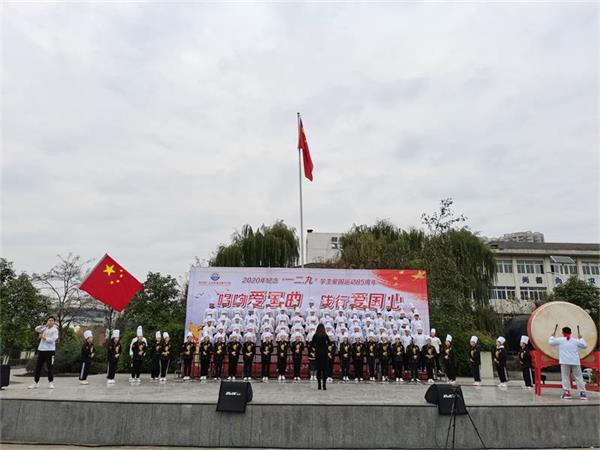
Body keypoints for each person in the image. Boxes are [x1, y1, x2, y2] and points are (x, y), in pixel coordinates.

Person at [549, 325, 588, 400]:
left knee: (565, 377)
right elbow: (585, 345)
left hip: (565, 361)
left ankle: (567, 393)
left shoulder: (560, 340)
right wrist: (581, 338)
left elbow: (551, 342)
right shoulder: (576, 341)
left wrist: (552, 336)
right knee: (578, 377)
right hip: (575, 361)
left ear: (563, 333)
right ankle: (582, 393)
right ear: (571, 333)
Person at [29, 316, 59, 389]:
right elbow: (36, 329)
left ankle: (51, 382)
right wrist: (44, 325)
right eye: (49, 320)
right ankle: (36, 382)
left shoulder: (55, 330)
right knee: (38, 367)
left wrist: (43, 337)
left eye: (52, 320)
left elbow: (53, 339)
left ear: (54, 322)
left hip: (50, 351)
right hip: (41, 350)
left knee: (50, 367)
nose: (50, 322)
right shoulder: (44, 328)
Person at [311, 323, 331, 390]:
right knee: (324, 370)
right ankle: (324, 386)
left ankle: (319, 385)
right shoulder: (325, 335)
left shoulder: (315, 335)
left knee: (318, 370)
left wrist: (315, 348)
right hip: (324, 354)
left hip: (318, 353)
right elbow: (330, 343)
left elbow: (312, 344)